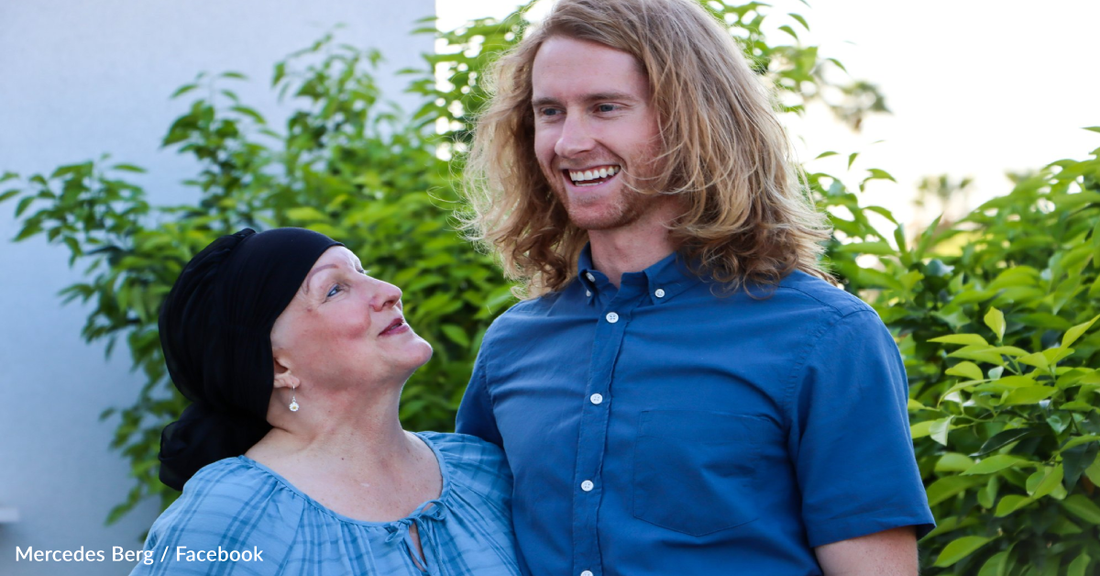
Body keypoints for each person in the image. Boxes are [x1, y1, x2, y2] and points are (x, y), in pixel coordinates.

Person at [455, 0, 935, 575]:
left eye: (606, 108)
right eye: (549, 112)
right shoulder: (512, 346)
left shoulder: (827, 337)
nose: (569, 142)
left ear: (693, 119)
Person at [133, 227, 521, 576]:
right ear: (277, 365)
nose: (389, 292)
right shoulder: (233, 512)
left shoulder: (484, 472)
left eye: (362, 271)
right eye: (334, 289)